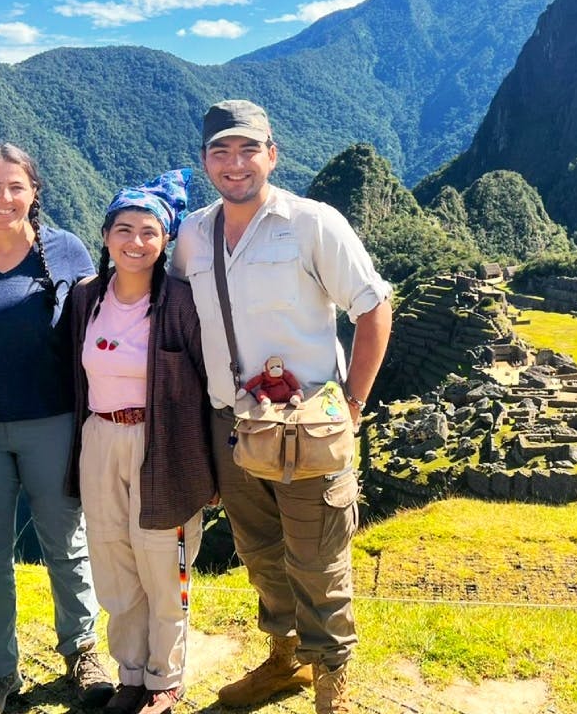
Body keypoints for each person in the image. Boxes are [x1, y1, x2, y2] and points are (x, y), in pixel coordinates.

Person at [170, 100, 394, 714]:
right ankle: (283, 658)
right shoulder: (194, 234)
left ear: (272, 153)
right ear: (205, 161)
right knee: (260, 550)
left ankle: (333, 684)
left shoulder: (312, 223)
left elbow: (373, 308)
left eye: (248, 149)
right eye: (221, 151)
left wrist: (353, 403)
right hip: (230, 423)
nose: (235, 163)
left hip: (306, 428)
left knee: (318, 556)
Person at [0, 143, 112, 713]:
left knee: (66, 544)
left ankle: (81, 652)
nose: (4, 197)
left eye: (16, 186)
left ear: (34, 193)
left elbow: (102, 320)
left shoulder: (65, 251)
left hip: (53, 422)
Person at [68, 169, 216, 714]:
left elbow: (209, 385)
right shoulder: (87, 298)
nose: (135, 242)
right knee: (112, 561)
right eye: (124, 229)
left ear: (166, 240)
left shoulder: (181, 303)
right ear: (106, 235)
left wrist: (212, 470)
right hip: (100, 439)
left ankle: (165, 679)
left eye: (148, 232)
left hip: (165, 448)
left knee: (165, 567)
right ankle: (130, 673)